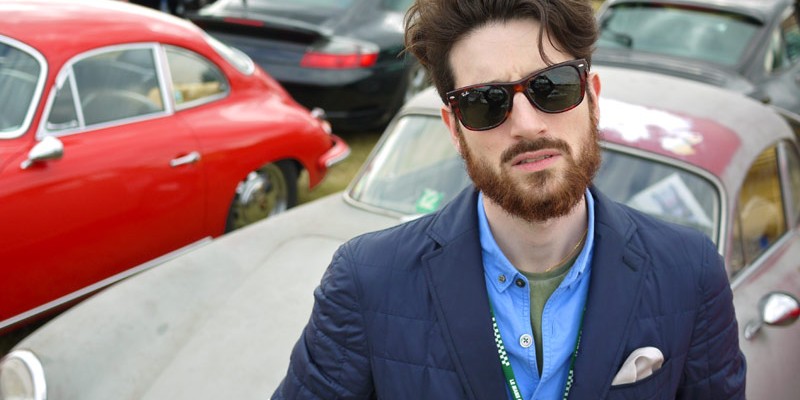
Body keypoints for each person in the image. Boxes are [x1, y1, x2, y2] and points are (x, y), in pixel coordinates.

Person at [272, 0, 746, 398]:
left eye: (552, 88)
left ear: (593, 98)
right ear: (454, 129)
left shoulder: (690, 272)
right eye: (486, 102)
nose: (527, 124)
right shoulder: (365, 281)